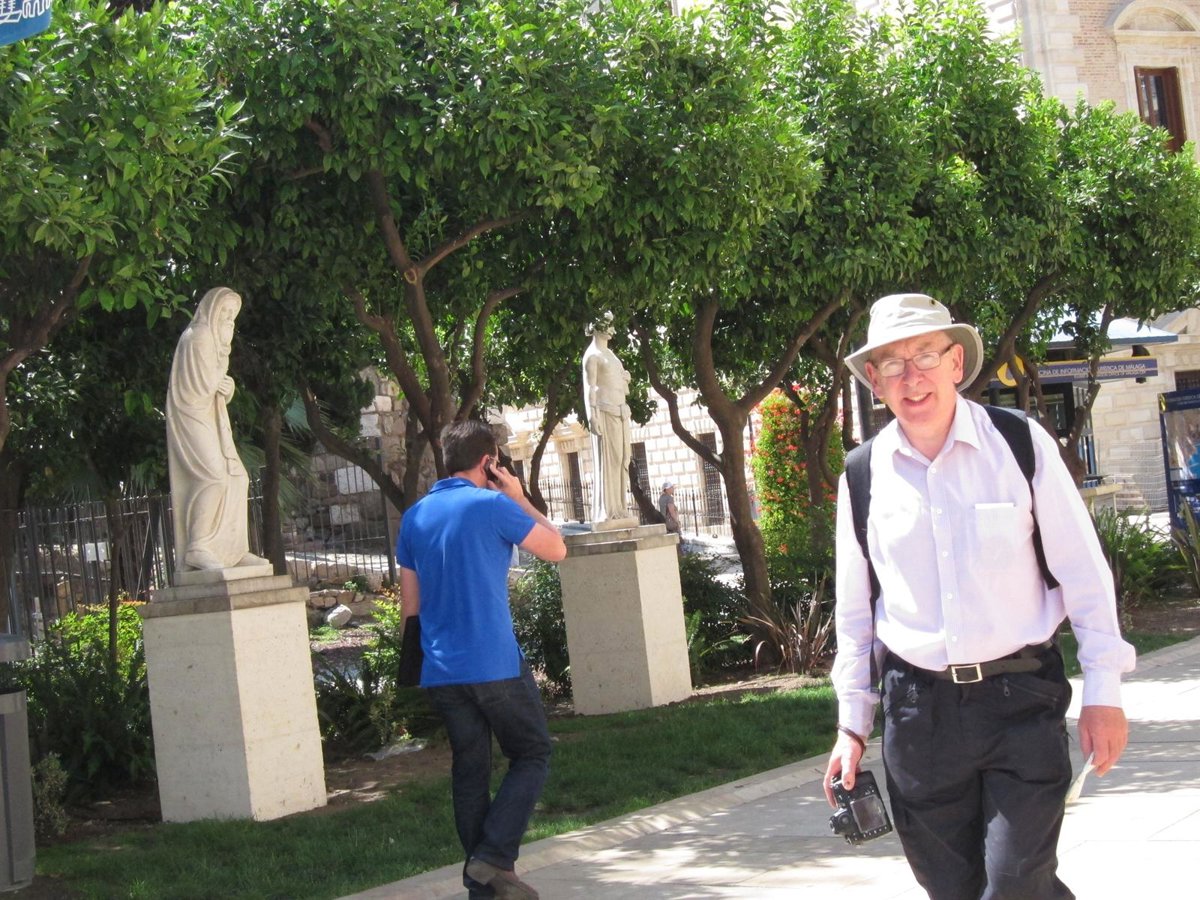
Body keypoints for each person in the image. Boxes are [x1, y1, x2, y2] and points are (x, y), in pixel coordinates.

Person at [823, 293, 1135, 900]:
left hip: (1021, 699)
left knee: (1015, 882)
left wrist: (1105, 693)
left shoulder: (1018, 444)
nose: (912, 377)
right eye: (892, 364)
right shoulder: (862, 475)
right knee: (954, 890)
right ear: (875, 382)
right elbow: (856, 616)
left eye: (925, 356)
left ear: (956, 363)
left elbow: (1085, 575)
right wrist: (852, 728)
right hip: (918, 714)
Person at [397, 420, 566, 900]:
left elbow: (411, 608)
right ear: (489, 462)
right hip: (494, 663)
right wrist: (518, 496)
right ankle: (492, 857)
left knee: (469, 770)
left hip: (440, 668)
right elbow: (557, 548)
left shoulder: (415, 517)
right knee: (532, 753)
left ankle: (484, 887)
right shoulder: (493, 505)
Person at [166, 286, 268, 572]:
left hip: (210, 417)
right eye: (224, 311)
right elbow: (199, 386)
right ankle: (197, 546)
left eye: (232, 314)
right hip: (191, 417)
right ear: (211, 309)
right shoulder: (198, 336)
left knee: (238, 478)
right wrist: (220, 382)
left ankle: (233, 553)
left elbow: (217, 386)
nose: (228, 319)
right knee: (213, 478)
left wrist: (228, 386)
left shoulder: (215, 342)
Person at [582, 321, 633, 523]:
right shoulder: (592, 356)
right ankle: (609, 509)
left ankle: (620, 508)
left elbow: (619, 384)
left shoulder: (611, 355)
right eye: (607, 324)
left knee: (623, 459)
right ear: (596, 327)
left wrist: (625, 379)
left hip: (621, 412)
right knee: (611, 460)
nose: (612, 329)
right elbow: (590, 388)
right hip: (606, 412)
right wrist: (592, 416)